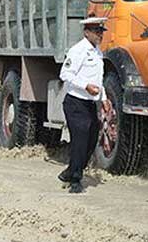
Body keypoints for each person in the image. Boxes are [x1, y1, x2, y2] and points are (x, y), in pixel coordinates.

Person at [58, 17, 113, 193]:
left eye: (101, 32)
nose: (100, 36)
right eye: (96, 32)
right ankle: (75, 179)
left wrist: (103, 99)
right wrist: (85, 86)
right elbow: (65, 74)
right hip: (75, 102)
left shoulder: (97, 52)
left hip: (90, 103)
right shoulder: (78, 50)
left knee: (91, 140)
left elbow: (98, 80)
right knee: (80, 141)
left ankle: (70, 171)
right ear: (86, 32)